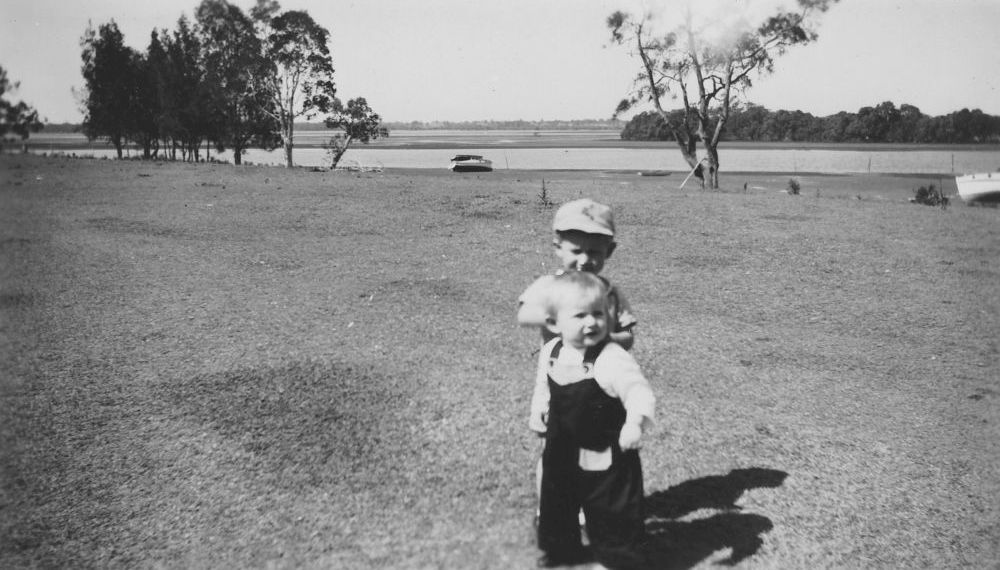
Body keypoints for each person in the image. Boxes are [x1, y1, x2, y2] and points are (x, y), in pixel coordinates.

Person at [517, 198, 638, 531]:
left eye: (595, 252)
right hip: (556, 385)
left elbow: (629, 336)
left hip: (600, 392)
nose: (585, 260)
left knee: (594, 452)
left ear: (609, 251)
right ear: (558, 247)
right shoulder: (551, 286)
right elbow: (524, 313)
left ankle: (589, 508)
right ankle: (548, 511)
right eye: (576, 250)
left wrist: (606, 339)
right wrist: (559, 321)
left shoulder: (609, 293)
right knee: (554, 451)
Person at [529, 271, 654, 569]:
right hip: (562, 447)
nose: (592, 322)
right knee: (557, 501)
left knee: (611, 509)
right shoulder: (551, 351)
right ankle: (562, 553)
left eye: (598, 314)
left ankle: (616, 560)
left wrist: (635, 422)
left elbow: (638, 391)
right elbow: (543, 386)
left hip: (604, 453)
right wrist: (538, 410)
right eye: (580, 315)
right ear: (554, 323)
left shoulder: (610, 357)